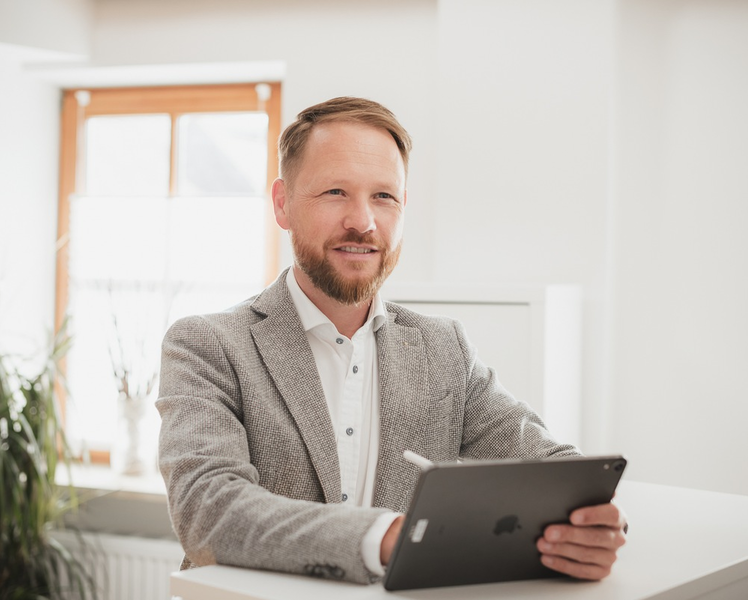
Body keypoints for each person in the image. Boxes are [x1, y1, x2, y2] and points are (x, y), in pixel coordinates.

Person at [156, 96, 627, 586]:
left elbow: (553, 468)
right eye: (336, 191)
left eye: (384, 196)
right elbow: (208, 510)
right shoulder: (207, 345)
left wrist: (593, 524)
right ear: (282, 203)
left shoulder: (444, 349)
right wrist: (386, 535)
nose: (363, 221)